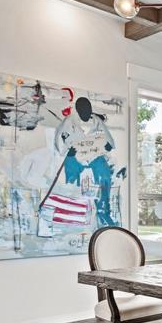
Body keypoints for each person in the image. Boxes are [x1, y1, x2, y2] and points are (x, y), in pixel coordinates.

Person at [53, 97, 117, 227]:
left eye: (88, 110)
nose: (87, 113)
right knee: (71, 172)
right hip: (76, 155)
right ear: (78, 110)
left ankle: (103, 210)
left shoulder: (96, 120)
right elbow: (58, 140)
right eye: (83, 110)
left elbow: (109, 139)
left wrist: (108, 146)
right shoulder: (69, 121)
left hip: (94, 155)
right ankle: (73, 209)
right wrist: (67, 150)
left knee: (104, 174)